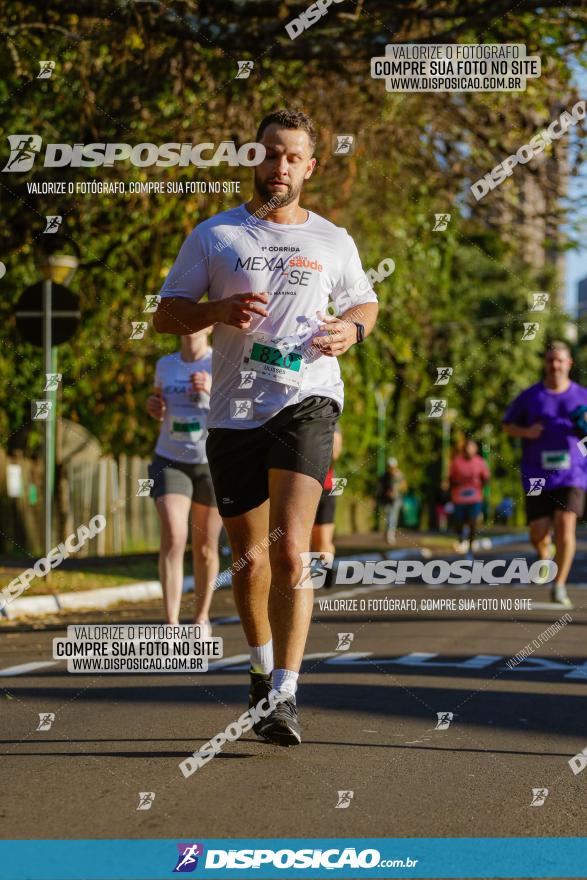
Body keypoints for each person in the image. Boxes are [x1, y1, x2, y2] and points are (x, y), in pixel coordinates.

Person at [153, 108, 379, 745]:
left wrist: (352, 328)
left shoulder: (333, 240)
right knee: (248, 560)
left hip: (307, 401)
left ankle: (285, 690)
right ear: (253, 159)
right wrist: (215, 309)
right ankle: (257, 671)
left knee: (289, 549)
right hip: (232, 414)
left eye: (292, 157)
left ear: (310, 166)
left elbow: (366, 300)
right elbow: (165, 315)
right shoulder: (214, 235)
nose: (279, 167)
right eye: (269, 154)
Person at [146, 329, 223, 634]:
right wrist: (155, 408)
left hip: (211, 461)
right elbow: (157, 404)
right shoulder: (166, 365)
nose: (189, 326)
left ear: (209, 327)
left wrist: (213, 389)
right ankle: (171, 622)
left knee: (205, 546)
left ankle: (201, 616)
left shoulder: (221, 361)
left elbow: (242, 407)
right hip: (170, 458)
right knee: (175, 535)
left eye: (197, 320)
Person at [503, 340, 587, 607]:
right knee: (538, 533)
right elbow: (507, 425)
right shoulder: (531, 396)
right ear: (545, 363)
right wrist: (526, 432)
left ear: (569, 363)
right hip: (536, 474)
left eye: (560, 360)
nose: (555, 365)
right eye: (550, 360)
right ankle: (544, 552)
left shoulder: (582, 396)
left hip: (572, 474)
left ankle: (559, 584)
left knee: (565, 527)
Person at [311, 424, 342, 588]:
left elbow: (336, 453)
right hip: (302, 487)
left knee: (322, 541)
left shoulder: (331, 419)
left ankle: (328, 570)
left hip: (327, 488)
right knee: (302, 537)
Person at [448, 439, 490, 553]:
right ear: (464, 450)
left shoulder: (480, 461)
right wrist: (457, 483)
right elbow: (450, 479)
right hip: (459, 497)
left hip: (475, 497)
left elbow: (486, 477)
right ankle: (461, 537)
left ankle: (470, 546)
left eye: (472, 448)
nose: (470, 451)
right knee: (458, 521)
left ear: (475, 450)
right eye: (468, 449)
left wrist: (481, 485)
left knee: (473, 522)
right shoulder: (456, 461)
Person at [378, 457, 407, 544]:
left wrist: (396, 490)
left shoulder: (400, 475)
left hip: (396, 499)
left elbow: (405, 487)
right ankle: (388, 532)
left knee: (393, 516)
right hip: (387, 499)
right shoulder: (384, 475)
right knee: (388, 516)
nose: (391, 468)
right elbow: (380, 487)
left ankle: (391, 534)